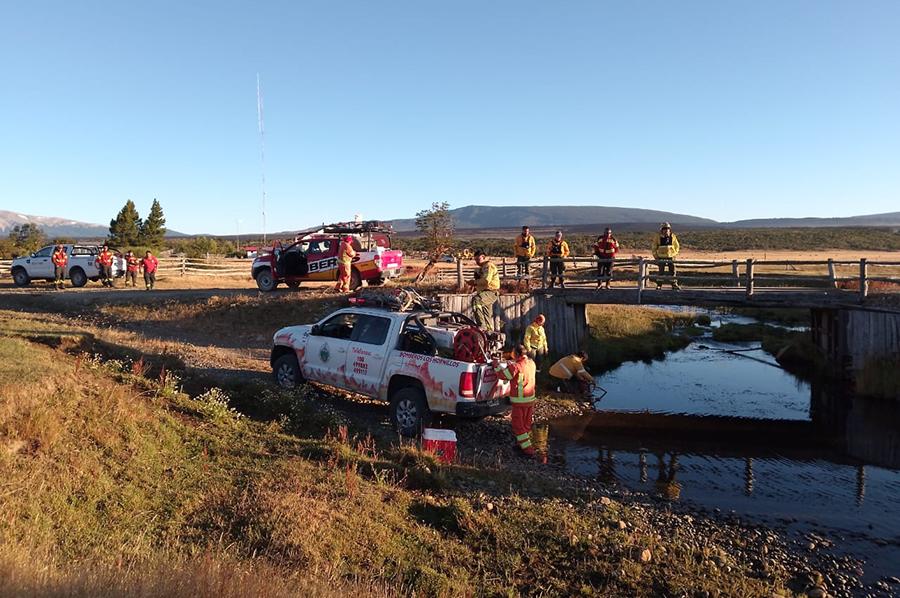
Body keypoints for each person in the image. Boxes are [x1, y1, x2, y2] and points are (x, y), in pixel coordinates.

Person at [492, 344, 537, 456]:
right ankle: (520, 444)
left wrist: (496, 366)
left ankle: (528, 450)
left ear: (516, 354)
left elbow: (503, 375)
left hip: (519, 402)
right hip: (530, 400)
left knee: (518, 427)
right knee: (526, 425)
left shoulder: (516, 367)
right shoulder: (531, 363)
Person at [470, 249, 500, 331]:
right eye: (475, 260)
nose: (476, 262)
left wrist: (474, 282)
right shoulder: (482, 268)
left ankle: (481, 325)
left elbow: (486, 280)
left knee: (476, 300)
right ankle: (489, 331)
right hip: (485, 292)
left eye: (478, 259)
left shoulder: (488, 266)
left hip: (490, 292)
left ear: (483, 257)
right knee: (487, 312)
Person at [652, 222, 680, 290]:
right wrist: (656, 256)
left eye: (667, 228)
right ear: (661, 229)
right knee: (661, 271)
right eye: (664, 228)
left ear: (670, 229)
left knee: (672, 271)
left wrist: (674, 254)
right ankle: (659, 285)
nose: (666, 230)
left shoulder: (673, 236)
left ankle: (674, 284)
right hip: (661, 257)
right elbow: (654, 247)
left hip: (671, 256)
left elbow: (677, 246)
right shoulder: (657, 237)